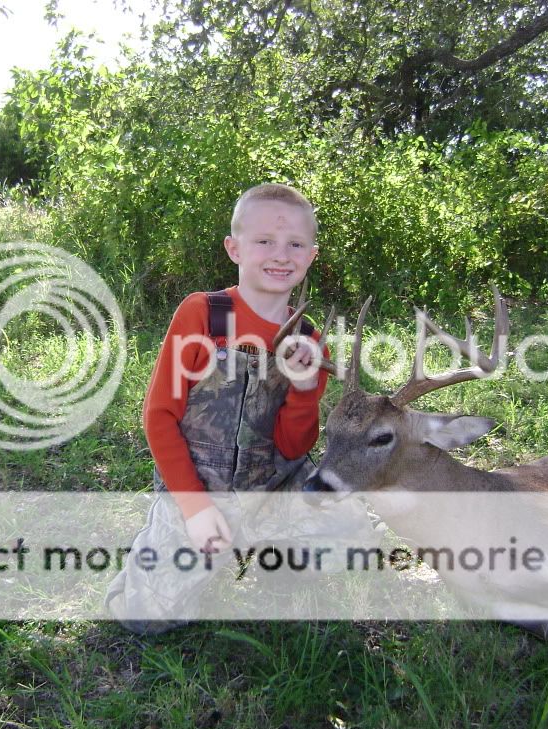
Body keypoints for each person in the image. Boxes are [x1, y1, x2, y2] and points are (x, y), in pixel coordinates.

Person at [105, 182, 378, 633]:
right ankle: (179, 541)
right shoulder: (205, 315)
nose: (280, 254)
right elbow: (158, 417)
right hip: (199, 486)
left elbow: (294, 447)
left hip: (271, 485)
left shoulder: (308, 340)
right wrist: (194, 509)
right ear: (234, 249)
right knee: (145, 619)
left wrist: (306, 388)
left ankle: (275, 558)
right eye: (264, 242)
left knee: (354, 543)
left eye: (294, 244)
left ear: (311, 256)